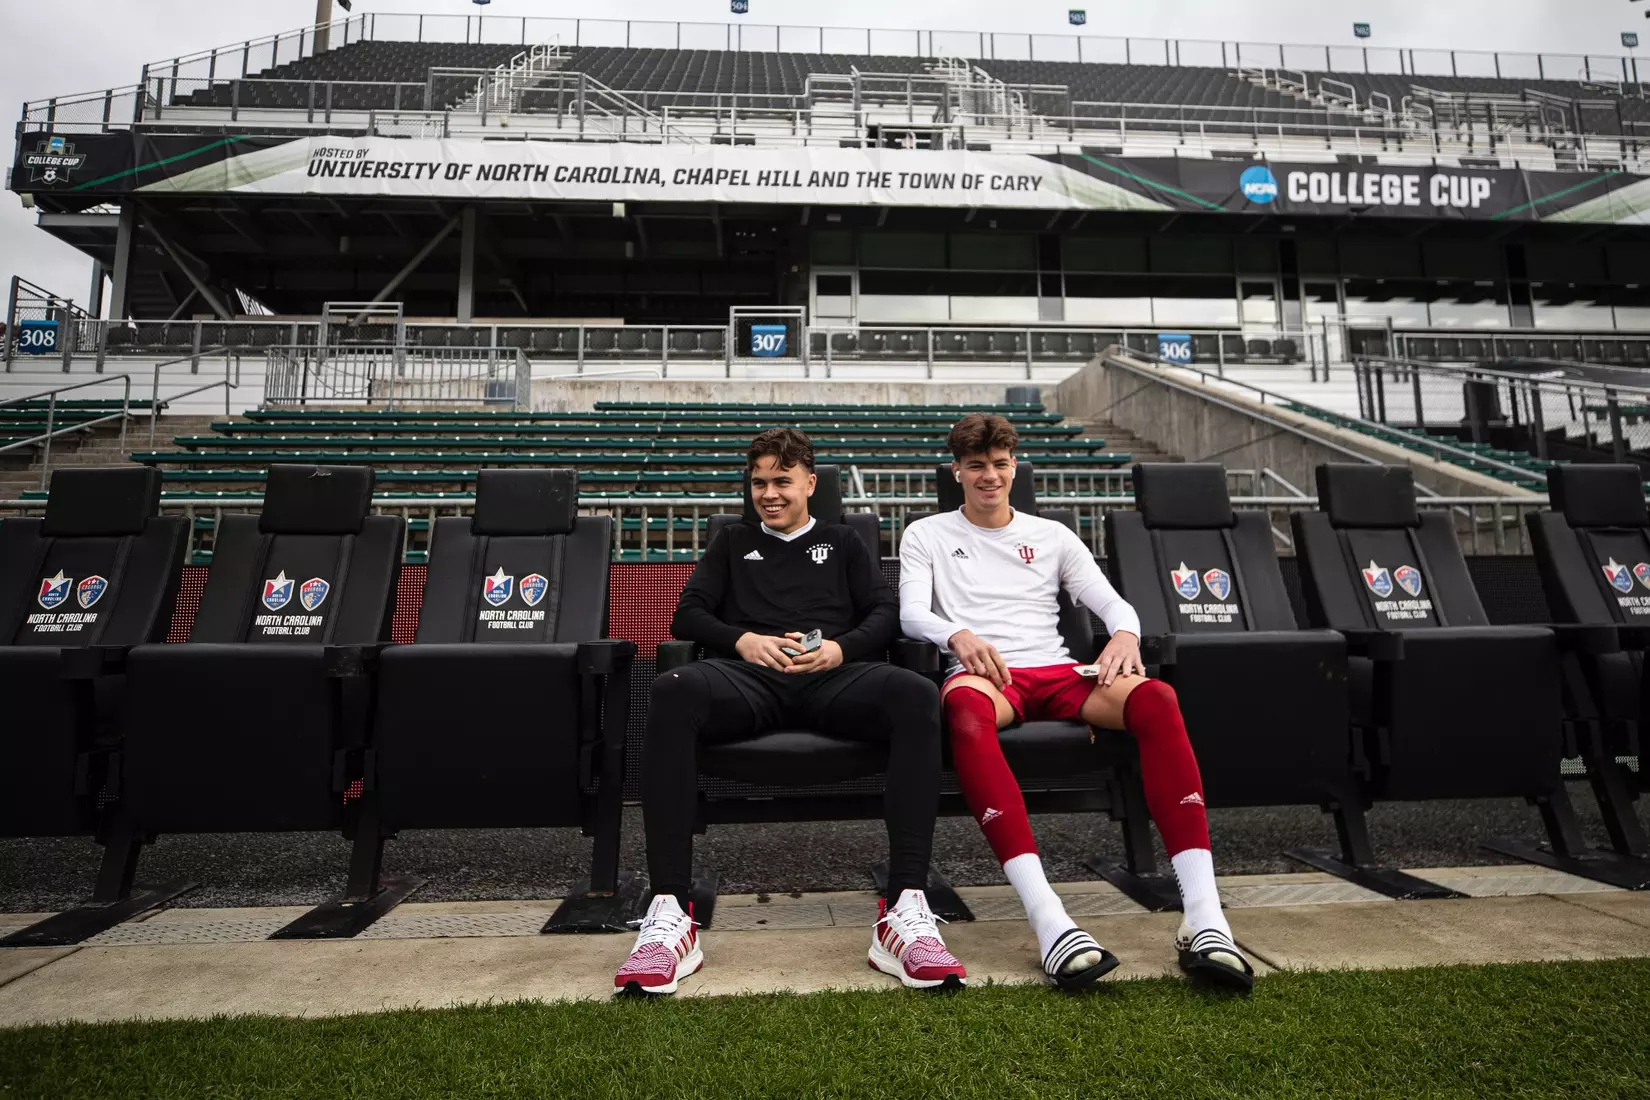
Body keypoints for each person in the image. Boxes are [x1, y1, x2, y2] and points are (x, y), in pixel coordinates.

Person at [898, 412, 1253, 991]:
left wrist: (1124, 637)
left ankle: (1205, 918)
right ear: (956, 470)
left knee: (1157, 697)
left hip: (1060, 671)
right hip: (991, 675)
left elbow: (1117, 607)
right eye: (977, 466)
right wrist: (954, 635)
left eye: (1000, 465)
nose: (989, 476)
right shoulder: (927, 533)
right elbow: (912, 612)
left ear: (1014, 467)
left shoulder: (1053, 535)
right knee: (963, 712)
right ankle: (1050, 920)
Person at [615, 427, 966, 996]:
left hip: (834, 679)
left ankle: (905, 910)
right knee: (675, 686)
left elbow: (884, 612)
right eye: (758, 482)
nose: (769, 493)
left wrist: (840, 648)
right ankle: (670, 915)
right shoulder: (731, 543)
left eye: (782, 481)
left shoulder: (845, 541)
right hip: (751, 680)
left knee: (915, 693)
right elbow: (688, 616)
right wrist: (745, 640)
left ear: (810, 482)